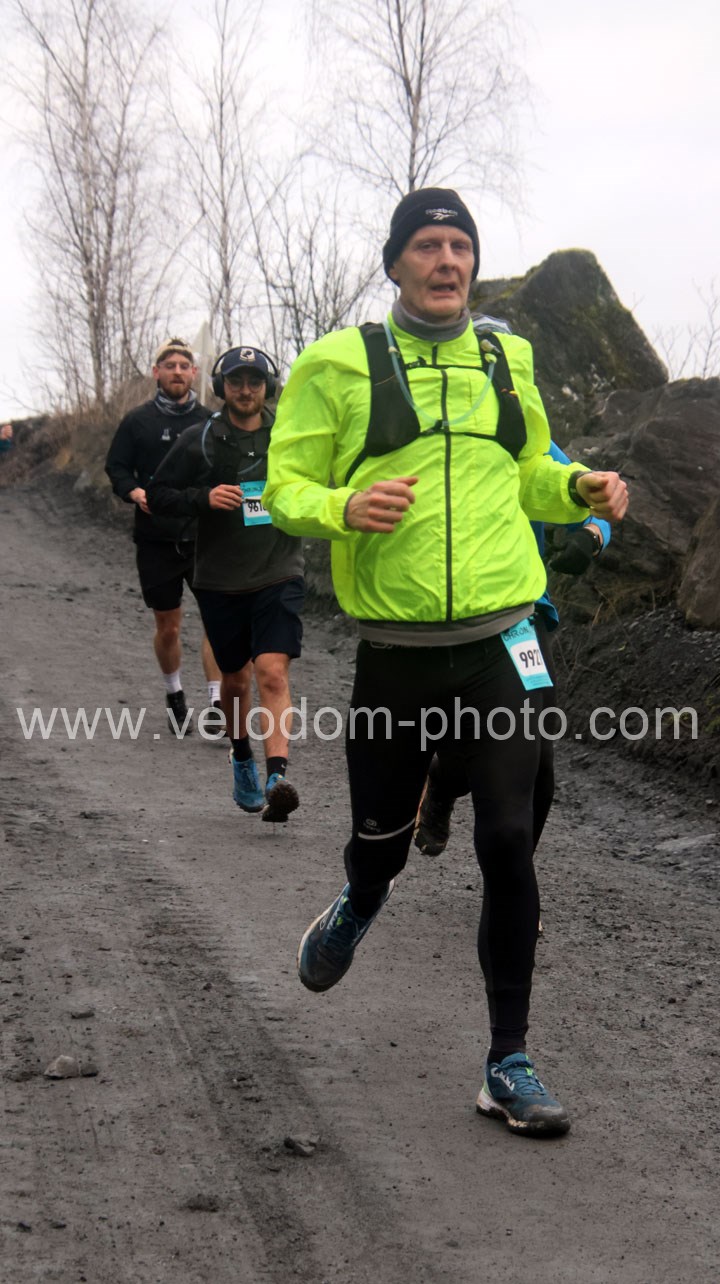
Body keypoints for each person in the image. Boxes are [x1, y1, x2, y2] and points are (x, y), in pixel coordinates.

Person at [264, 187, 628, 1136]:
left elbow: (531, 473)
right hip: (398, 652)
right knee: (381, 846)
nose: (447, 260)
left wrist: (579, 484)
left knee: (508, 835)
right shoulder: (335, 364)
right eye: (427, 245)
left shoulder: (508, 358)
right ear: (395, 263)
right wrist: (342, 508)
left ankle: (508, 1061)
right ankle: (360, 899)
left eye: (460, 245)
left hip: (502, 639)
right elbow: (282, 487)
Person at [414, 437, 612, 858]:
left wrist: (590, 536)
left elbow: (594, 500)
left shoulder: (525, 434)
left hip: (522, 615)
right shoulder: (427, 431)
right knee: (464, 747)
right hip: (449, 615)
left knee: (538, 758)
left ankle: (515, 881)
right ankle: (443, 781)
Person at [146, 345, 304, 823]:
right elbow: (158, 495)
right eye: (236, 381)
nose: (246, 390)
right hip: (220, 578)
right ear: (221, 386)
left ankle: (277, 777)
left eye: (254, 381)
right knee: (235, 679)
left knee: (271, 671)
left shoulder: (290, 433)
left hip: (279, 568)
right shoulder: (201, 438)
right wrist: (203, 497)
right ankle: (241, 757)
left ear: (267, 387)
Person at [105, 338, 222, 735]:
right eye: (169, 365)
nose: (177, 371)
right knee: (168, 626)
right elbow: (117, 468)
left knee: (217, 621)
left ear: (194, 373)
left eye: (184, 365)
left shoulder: (210, 421)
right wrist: (135, 492)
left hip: (204, 536)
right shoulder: (138, 421)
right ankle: (174, 694)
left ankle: (217, 703)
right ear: (156, 372)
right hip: (156, 537)